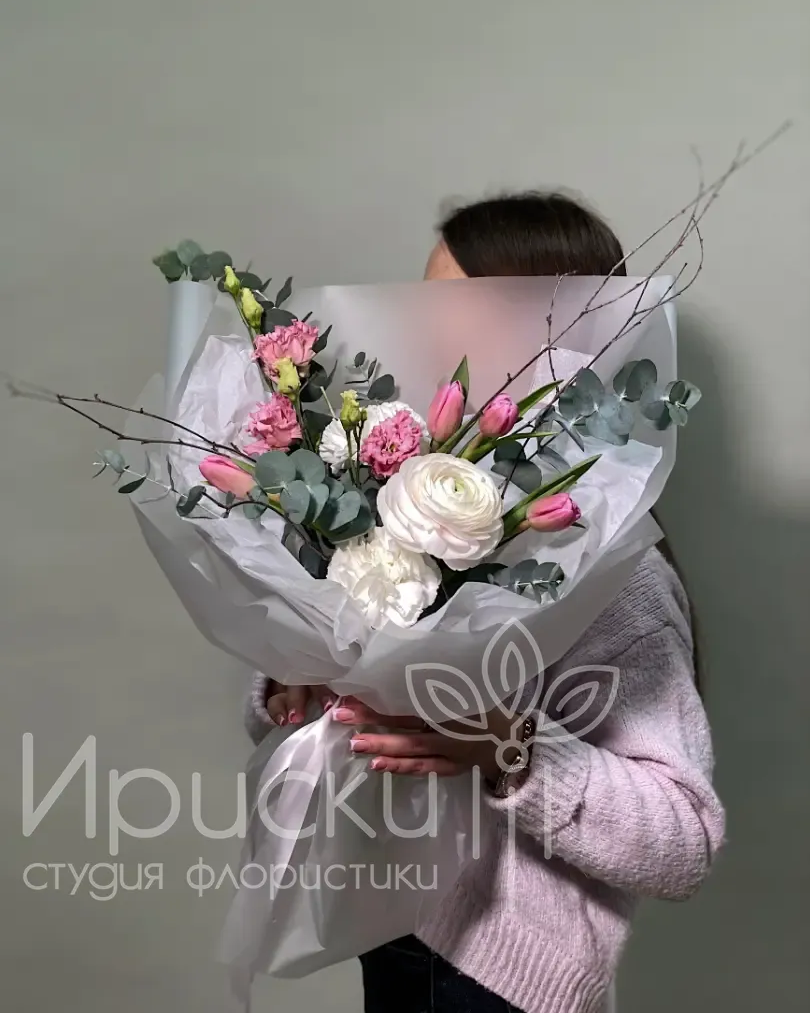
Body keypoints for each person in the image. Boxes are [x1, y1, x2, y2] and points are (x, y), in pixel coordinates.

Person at [244, 192, 725, 1013]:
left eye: (454, 308)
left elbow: (683, 843)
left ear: (556, 337)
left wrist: (511, 748)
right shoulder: (399, 512)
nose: (420, 330)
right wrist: (296, 677)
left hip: (511, 982)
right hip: (395, 931)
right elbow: (335, 720)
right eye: (418, 302)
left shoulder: (620, 576)